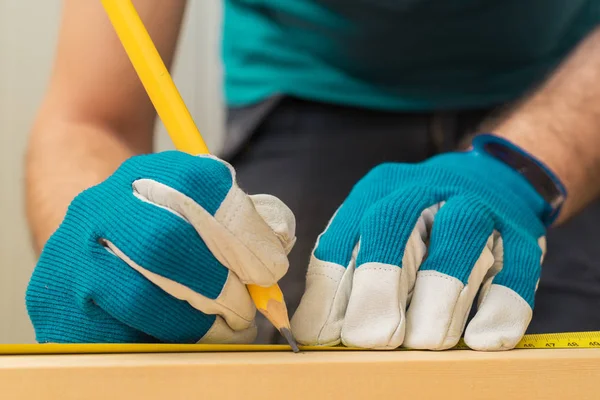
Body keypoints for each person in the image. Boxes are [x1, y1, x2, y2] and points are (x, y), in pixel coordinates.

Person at [23, 0, 600, 350]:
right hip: (306, 92)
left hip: (573, 82)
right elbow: (89, 118)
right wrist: (106, 252)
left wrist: (522, 164)